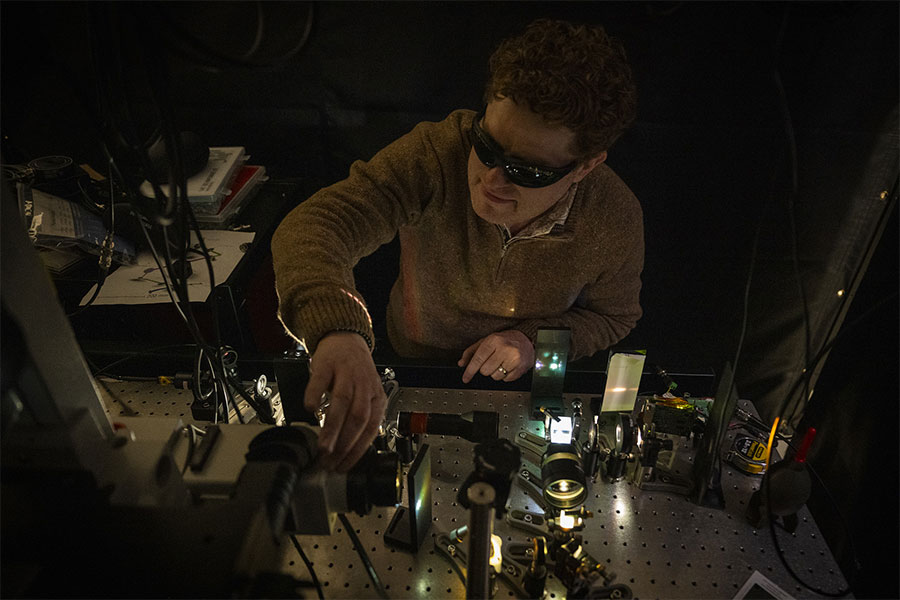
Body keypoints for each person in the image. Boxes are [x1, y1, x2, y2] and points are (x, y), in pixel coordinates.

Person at [271, 18, 643, 471]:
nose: (491, 180)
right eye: (486, 145)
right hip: (406, 365)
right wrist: (338, 330)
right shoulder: (435, 152)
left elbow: (613, 317)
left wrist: (533, 343)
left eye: (527, 171)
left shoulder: (613, 215)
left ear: (585, 167)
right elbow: (317, 224)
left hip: (525, 387)